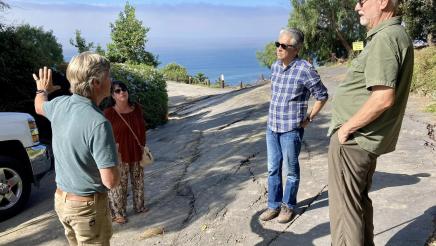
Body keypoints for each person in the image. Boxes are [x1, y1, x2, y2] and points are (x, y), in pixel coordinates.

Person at [327, 0, 414, 244]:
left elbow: (383, 98)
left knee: (345, 213)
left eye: (362, 1)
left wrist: (346, 129)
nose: (357, 7)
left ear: (383, 1)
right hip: (362, 140)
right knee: (357, 205)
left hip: (355, 141)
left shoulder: (386, 38)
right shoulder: (393, 35)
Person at [33, 52, 120, 246]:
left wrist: (42, 90)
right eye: (108, 76)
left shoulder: (60, 105)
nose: (112, 81)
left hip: (62, 202)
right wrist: (116, 158)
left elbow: (40, 106)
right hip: (87, 209)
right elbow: (111, 181)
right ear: (96, 83)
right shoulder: (99, 123)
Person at [260, 28, 329, 223]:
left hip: (291, 130)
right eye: (277, 44)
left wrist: (310, 117)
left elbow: (322, 95)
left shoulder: (305, 70)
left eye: (284, 46)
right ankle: (273, 205)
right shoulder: (275, 67)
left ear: (296, 49)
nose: (278, 48)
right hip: (272, 127)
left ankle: (288, 206)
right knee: (273, 168)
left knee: (291, 170)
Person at [104, 81, 148, 224]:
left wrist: (143, 145)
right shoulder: (108, 113)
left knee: (138, 181)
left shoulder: (137, 109)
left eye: (124, 89)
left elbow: (142, 128)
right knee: (118, 185)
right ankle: (118, 213)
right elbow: (103, 135)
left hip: (136, 150)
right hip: (119, 154)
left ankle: (139, 206)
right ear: (112, 95)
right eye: (117, 91)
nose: (122, 92)